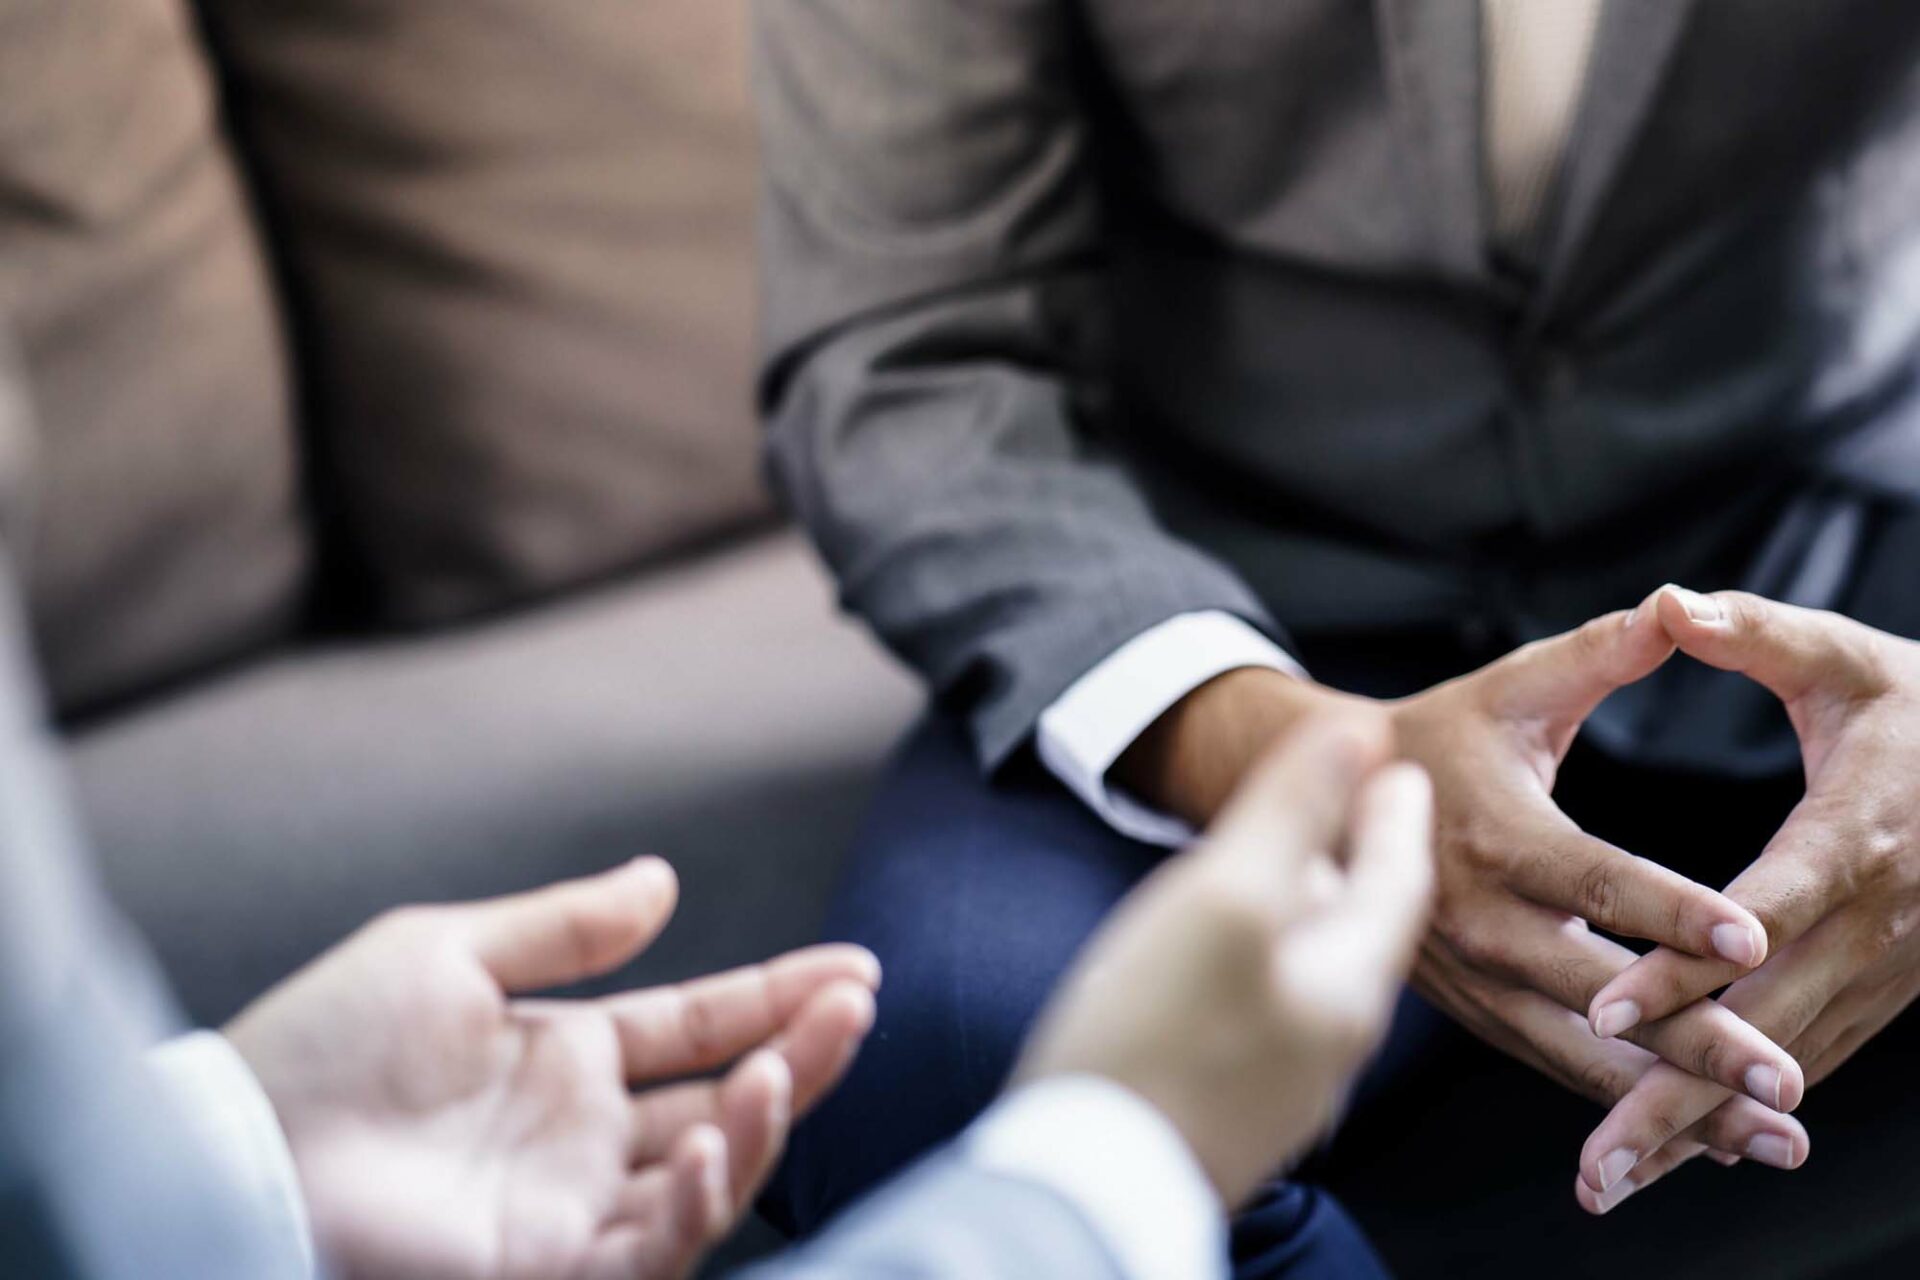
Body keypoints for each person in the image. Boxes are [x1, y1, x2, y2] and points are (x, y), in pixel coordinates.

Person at [749, 0, 1920, 1260]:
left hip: (1828, 545)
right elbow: (909, 363)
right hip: (1243, 598)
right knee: (960, 1078)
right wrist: (1286, 750)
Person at [0, 447, 1438, 1279]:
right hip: (1189, 585)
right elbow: (904, 365)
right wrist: (1122, 1155)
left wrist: (240, 1137)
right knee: (950, 1041)